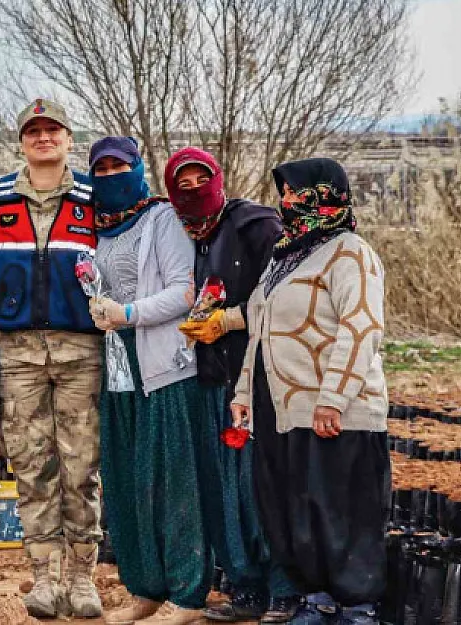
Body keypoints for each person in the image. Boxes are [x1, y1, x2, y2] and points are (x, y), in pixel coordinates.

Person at [231, 158, 389, 625]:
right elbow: (258, 332)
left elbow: (361, 328)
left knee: (342, 508)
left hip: (335, 409)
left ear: (326, 196)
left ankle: (357, 605)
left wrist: (333, 398)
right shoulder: (284, 257)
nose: (287, 203)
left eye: (297, 194)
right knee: (291, 508)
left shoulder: (350, 253)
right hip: (280, 408)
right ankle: (316, 597)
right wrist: (243, 394)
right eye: (284, 194)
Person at [167, 147, 301, 623]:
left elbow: (288, 296)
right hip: (211, 379)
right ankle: (244, 586)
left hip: (257, 377)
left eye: (199, 179)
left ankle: (284, 587)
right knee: (222, 487)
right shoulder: (189, 235)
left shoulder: (255, 226)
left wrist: (230, 320)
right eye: (180, 183)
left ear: (217, 179)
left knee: (258, 485)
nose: (191, 190)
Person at [84, 137, 211, 625]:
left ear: (138, 169)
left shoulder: (161, 219)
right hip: (116, 366)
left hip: (162, 365)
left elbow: (185, 291)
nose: (112, 176)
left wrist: (129, 312)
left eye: (121, 166)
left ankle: (187, 593)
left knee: (171, 481)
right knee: (124, 479)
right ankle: (144, 587)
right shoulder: (96, 229)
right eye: (103, 169)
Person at [0, 98, 103, 619]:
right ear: (21, 142)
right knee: (32, 465)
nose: (43, 138)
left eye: (52, 129)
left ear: (69, 139)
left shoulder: (93, 199)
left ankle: (83, 577)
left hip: (80, 350)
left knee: (81, 466)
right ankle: (44, 578)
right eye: (32, 131)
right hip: (17, 353)